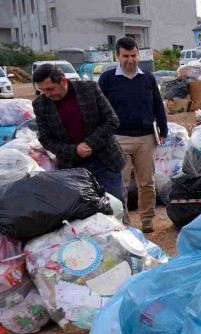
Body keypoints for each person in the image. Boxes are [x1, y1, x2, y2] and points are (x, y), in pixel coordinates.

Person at [98, 37, 167, 233]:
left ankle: (147, 220)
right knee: (121, 184)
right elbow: (98, 108)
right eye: (126, 56)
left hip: (146, 138)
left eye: (134, 55)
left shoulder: (148, 78)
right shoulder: (108, 79)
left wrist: (163, 129)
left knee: (147, 183)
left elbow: (157, 106)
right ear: (117, 56)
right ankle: (124, 222)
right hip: (118, 139)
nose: (130, 60)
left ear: (139, 55)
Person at [32, 64, 126, 202]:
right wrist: (75, 150)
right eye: (41, 90)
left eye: (49, 89)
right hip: (71, 167)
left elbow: (112, 120)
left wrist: (89, 144)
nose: (46, 94)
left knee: (116, 205)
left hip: (105, 161)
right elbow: (45, 139)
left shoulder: (89, 89)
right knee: (83, 211)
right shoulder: (40, 104)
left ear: (63, 81)